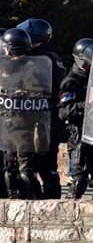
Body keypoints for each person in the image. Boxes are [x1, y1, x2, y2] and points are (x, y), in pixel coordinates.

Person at [59, 38, 93, 200]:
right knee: (79, 179)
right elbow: (64, 111)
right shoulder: (72, 82)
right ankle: (69, 215)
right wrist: (88, 105)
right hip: (79, 134)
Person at [16, 18, 63, 199]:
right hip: (50, 119)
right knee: (48, 168)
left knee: (29, 168)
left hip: (37, 119)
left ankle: (35, 204)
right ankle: (54, 206)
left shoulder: (38, 60)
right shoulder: (54, 57)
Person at [0, 28, 47, 199]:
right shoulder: (33, 67)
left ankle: (19, 199)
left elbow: (37, 96)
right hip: (16, 124)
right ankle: (18, 199)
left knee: (17, 166)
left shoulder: (25, 69)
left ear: (10, 47)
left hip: (18, 124)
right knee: (16, 165)